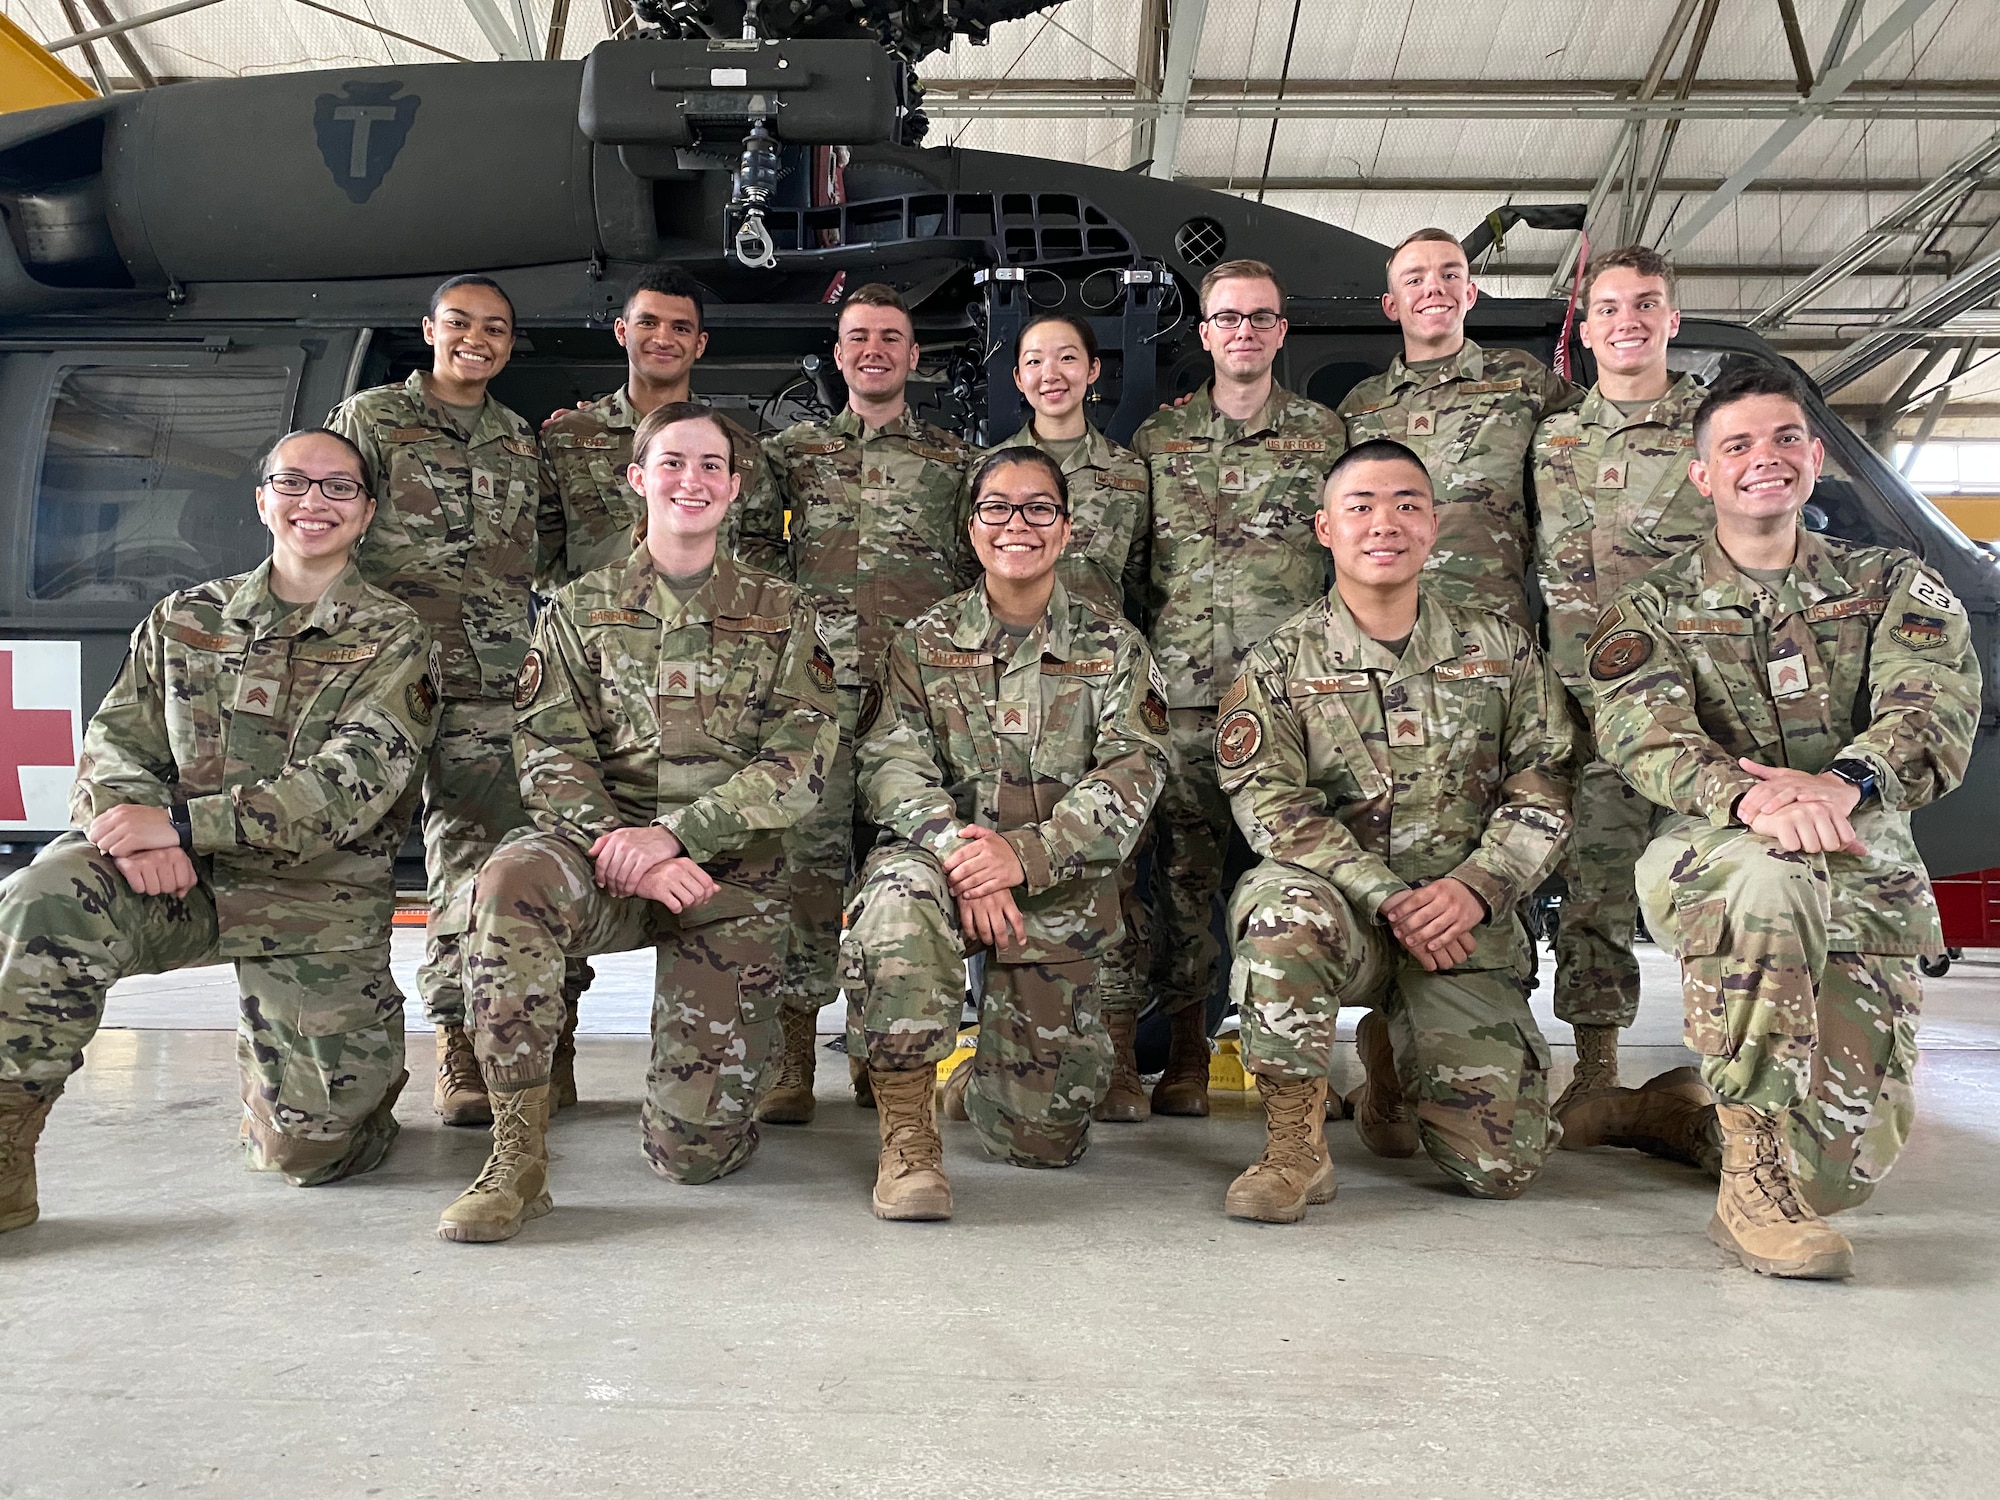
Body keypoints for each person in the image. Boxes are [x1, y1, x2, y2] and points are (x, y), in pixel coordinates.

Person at [1592, 360, 1979, 1279]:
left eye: (1783, 439)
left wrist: (1844, 782)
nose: (1762, 458)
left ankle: (1689, 1120)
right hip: (1717, 852)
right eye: (1736, 445)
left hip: (1859, 858)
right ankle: (1749, 1187)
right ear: (1702, 473)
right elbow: (1639, 728)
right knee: (1771, 875)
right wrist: (1753, 797)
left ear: (1813, 457)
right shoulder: (1653, 607)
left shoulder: (1891, 584)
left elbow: (1933, 706)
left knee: (1837, 1178)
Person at [0, 429, 437, 1229]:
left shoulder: (395, 637)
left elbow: (348, 790)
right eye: (294, 483)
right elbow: (116, 746)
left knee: (311, 1155)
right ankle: (3, 1151)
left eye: (339, 488)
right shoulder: (183, 618)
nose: (315, 502)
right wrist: (127, 830)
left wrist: (181, 827)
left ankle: (321, 1094)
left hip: (313, 898)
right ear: (263, 499)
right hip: (177, 884)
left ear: (367, 512)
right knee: (44, 892)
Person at [438, 403, 838, 1243]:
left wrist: (679, 837)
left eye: (709, 467)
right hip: (601, 856)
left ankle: (709, 1102)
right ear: (638, 479)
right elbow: (549, 752)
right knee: (509, 881)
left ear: (734, 488)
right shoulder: (579, 609)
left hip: (726, 874)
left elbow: (798, 761)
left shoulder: (785, 613)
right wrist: (627, 849)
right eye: (672, 463)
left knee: (694, 1155)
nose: (690, 480)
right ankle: (517, 1156)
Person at [1218, 439, 1576, 1221]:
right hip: (1343, 915)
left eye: (1407, 504)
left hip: (1459, 925)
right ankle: (1294, 1148)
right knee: (1277, 910)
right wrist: (1384, 896)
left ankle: (1391, 1059)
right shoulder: (1279, 662)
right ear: (1324, 528)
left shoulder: (1500, 650)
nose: (1386, 523)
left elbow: (1546, 783)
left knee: (1500, 1167)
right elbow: (1269, 804)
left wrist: (1477, 888)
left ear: (1435, 524)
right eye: (1361, 506)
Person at [839, 448, 1168, 1220]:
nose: (1016, 524)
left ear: (1065, 528)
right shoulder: (921, 643)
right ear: (972, 526)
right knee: (894, 905)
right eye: (997, 508)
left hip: (1053, 887)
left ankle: (984, 1075)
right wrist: (961, 852)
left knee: (1039, 1140)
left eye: (1037, 509)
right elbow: (889, 765)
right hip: (939, 872)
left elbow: (1136, 769)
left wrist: (1021, 857)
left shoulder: (1113, 647)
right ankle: (907, 1134)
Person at [327, 274, 585, 1130]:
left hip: (490, 688)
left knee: (476, 863)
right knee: (354, 868)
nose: (479, 339)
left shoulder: (517, 439)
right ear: (430, 329)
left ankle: (468, 1043)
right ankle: (342, 1065)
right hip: (385, 682)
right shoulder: (369, 421)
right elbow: (323, 527)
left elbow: (544, 556)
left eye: (498, 329)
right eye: (463, 323)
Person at [748, 283, 974, 1123]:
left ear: (914, 358)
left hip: (910, 712)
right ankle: (792, 1056)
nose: (873, 349)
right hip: (812, 707)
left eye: (891, 337)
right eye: (857, 337)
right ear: (838, 355)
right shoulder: (791, 455)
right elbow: (746, 553)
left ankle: (889, 1054)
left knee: (900, 880)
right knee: (804, 877)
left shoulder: (954, 464)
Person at [1130, 258, 1345, 1117]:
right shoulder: (1160, 440)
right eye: (1228, 318)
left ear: (1280, 332)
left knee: (1291, 872)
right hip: (1185, 696)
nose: (1243, 332)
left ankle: (1288, 1060)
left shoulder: (1326, 437)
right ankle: (1185, 1050)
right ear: (1206, 332)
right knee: (1185, 880)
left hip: (1291, 702)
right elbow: (1142, 570)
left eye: (1260, 317)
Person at [1530, 244, 1719, 1159]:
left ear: (1672, 319)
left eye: (1646, 304)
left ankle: (1735, 1069)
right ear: (1588, 324)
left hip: (1695, 704)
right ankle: (1597, 1068)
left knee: (1713, 885)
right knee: (1595, 889)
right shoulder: (1554, 435)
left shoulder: (1713, 431)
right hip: (1581, 702)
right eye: (1608, 307)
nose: (1627, 321)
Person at [985, 313, 1158, 1120]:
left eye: (1066, 358)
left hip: (1100, 691)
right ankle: (995, 1051)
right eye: (1033, 361)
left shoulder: (1130, 472)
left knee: (1112, 874)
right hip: (1009, 696)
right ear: (1016, 378)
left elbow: (1153, 582)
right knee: (999, 870)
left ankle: (1120, 1052)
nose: (1050, 373)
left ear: (1095, 371)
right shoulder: (991, 470)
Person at [1340, 228, 1581, 628]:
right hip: (1383, 630)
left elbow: (1610, 421)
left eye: (1450, 275)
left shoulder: (1522, 379)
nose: (1433, 289)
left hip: (1491, 627)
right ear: (1391, 305)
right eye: (1414, 280)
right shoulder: (1359, 406)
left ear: (1470, 294)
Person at [540, 266, 773, 589]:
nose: (663, 339)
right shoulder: (567, 438)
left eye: (680, 328)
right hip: (597, 631)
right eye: (648, 322)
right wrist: (584, 612)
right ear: (622, 331)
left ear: (700, 343)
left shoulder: (740, 449)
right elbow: (534, 553)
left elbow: (762, 555)